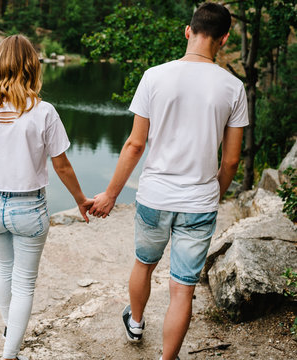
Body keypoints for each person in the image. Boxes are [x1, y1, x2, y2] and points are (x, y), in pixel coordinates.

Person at [89, 3, 248, 360]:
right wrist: (212, 195)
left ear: (188, 31)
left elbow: (135, 144)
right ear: (223, 39)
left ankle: (137, 321)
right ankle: (167, 358)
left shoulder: (154, 76)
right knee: (182, 289)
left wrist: (111, 195)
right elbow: (232, 160)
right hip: (200, 202)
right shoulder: (233, 88)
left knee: (144, 263)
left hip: (155, 197)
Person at [0, 35, 93, 360]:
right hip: (29, 209)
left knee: (3, 268)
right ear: (32, 68)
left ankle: (11, 331)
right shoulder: (44, 113)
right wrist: (80, 200)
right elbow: (61, 165)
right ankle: (10, 354)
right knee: (23, 283)